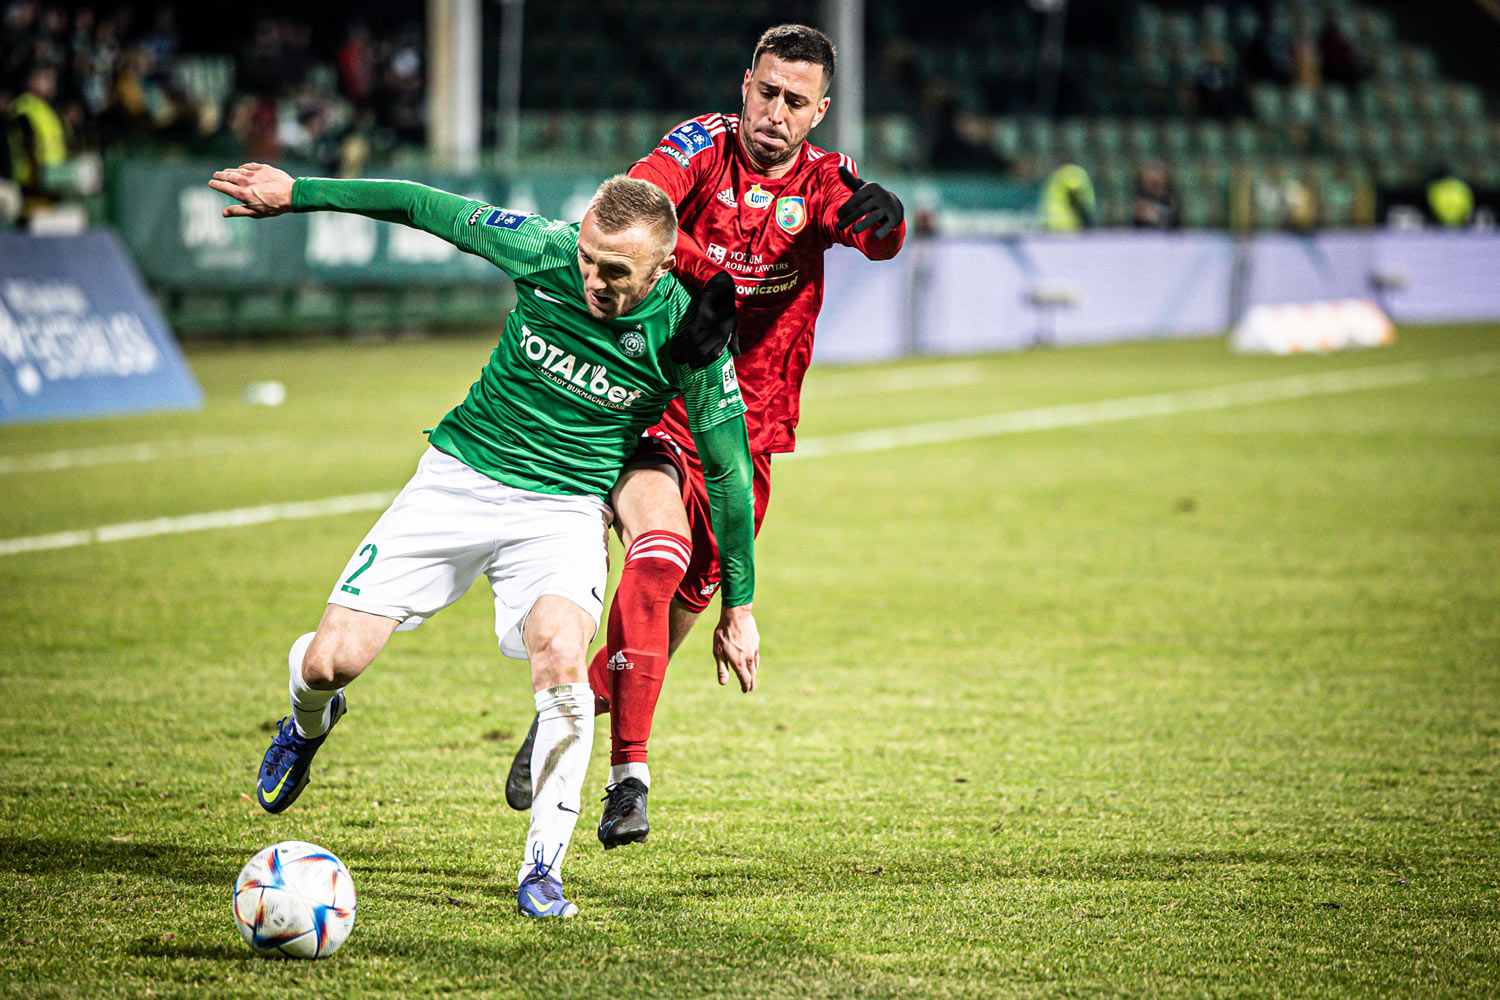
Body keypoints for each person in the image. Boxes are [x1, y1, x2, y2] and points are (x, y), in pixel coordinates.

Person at [208, 161, 757, 918]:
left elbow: (729, 475)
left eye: (617, 271)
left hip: (563, 510)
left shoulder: (687, 333)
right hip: (458, 479)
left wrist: (740, 604)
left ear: (664, 263)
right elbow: (418, 202)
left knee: (563, 664)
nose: (595, 278)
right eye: (590, 259)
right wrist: (298, 193)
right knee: (332, 661)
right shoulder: (542, 248)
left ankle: (543, 871)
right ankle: (306, 722)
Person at [504, 24, 906, 848]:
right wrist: (705, 276)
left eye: (797, 102)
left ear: (820, 112)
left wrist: (888, 221)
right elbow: (640, 201)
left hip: (748, 432)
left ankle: (575, 703)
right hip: (661, 407)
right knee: (655, 569)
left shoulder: (825, 182)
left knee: (673, 617)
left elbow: (873, 233)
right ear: (746, 84)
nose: (776, 113)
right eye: (766, 92)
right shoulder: (700, 146)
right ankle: (627, 779)